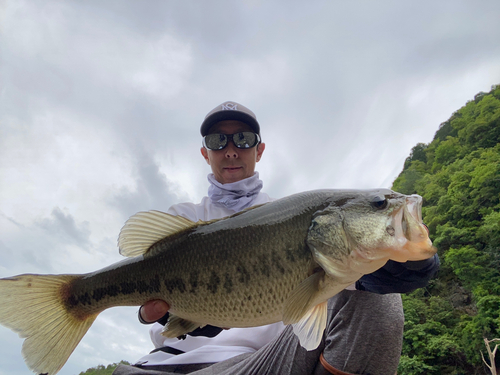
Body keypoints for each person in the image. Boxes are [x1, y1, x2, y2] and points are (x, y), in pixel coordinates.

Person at [114, 101, 439, 375]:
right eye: (218, 141)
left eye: (242, 139)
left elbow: (345, 282)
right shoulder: (181, 219)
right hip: (161, 367)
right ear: (205, 152)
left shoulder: (298, 222)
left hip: (257, 365)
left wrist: (391, 273)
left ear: (260, 149)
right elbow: (151, 310)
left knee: (379, 298)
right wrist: (160, 314)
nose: (230, 150)